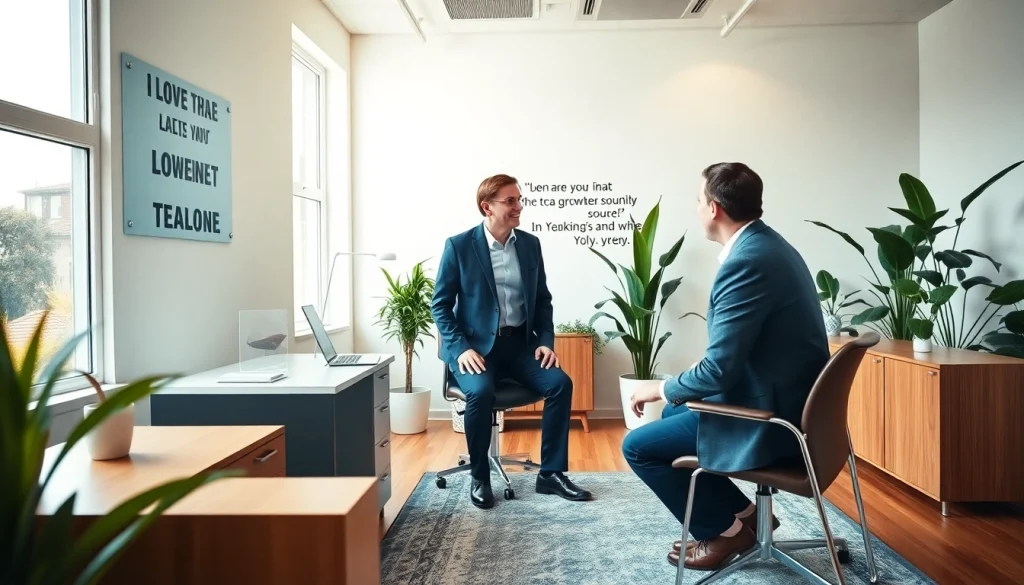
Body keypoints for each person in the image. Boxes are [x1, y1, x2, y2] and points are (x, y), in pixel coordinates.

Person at [624, 162, 829, 570]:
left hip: (773, 419)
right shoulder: (768, 246)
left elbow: (719, 371)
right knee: (678, 411)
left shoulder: (747, 262)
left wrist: (658, 387)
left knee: (638, 447)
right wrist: (678, 392)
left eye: (699, 201)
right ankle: (746, 517)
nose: (697, 208)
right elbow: (732, 356)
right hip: (793, 404)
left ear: (714, 208)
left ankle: (728, 530)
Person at [431, 173, 592, 509]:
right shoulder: (459, 246)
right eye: (511, 201)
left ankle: (550, 474)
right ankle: (479, 475)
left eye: (520, 200)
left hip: (519, 345)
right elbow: (440, 306)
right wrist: (461, 349)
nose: (519, 207)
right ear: (486, 207)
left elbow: (543, 300)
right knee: (480, 391)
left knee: (560, 383)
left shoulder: (530, 245)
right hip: (475, 350)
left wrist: (546, 341)